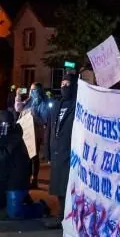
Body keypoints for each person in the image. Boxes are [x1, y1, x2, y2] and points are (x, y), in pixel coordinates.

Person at [44, 72, 79, 227]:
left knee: (67, 186)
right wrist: (48, 152)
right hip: (56, 151)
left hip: (70, 151)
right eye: (62, 84)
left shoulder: (78, 104)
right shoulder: (57, 104)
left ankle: (66, 216)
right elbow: (49, 129)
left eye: (68, 84)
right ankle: (62, 214)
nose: (64, 87)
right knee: (58, 186)